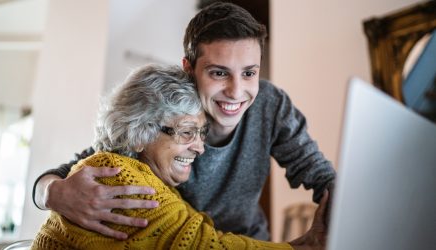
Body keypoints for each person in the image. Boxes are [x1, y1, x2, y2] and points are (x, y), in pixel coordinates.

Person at [32, 1, 336, 244]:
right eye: (219, 73)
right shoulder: (168, 107)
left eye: (249, 73)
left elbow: (321, 177)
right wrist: (51, 193)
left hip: (250, 241)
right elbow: (95, 157)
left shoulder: (271, 104)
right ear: (189, 68)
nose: (236, 91)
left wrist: (344, 209)